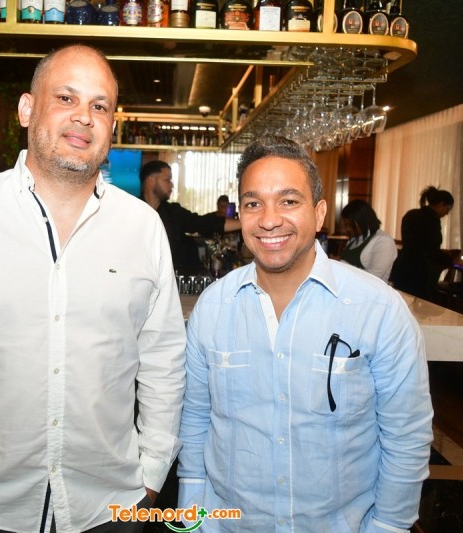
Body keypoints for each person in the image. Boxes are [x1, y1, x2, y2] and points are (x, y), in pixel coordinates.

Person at [0, 45, 186, 533]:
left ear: (112, 124)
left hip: (110, 508)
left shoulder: (142, 227)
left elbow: (163, 363)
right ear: (27, 109)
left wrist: (149, 480)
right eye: (65, 97)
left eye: (100, 105)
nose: (83, 116)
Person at [177, 137, 433, 532]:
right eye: (253, 204)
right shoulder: (213, 307)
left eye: (289, 201)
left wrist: (388, 526)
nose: (269, 220)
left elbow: (406, 436)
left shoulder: (378, 309)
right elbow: (195, 419)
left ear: (319, 212)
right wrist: (192, 517)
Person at [140, 161, 240, 270]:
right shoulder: (132, 212)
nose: (172, 185)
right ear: (151, 181)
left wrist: (244, 223)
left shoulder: (173, 212)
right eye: (167, 180)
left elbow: (203, 224)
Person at [390, 185, 455, 299]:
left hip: (403, 266)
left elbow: (418, 243)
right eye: (447, 209)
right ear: (441, 204)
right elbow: (430, 251)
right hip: (420, 272)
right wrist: (452, 260)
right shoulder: (432, 220)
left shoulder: (411, 214)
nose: (447, 213)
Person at [339, 199, 398, 283]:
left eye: (349, 225)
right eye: (345, 225)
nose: (347, 229)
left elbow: (373, 278)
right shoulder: (355, 238)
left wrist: (342, 264)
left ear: (362, 220)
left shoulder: (384, 241)